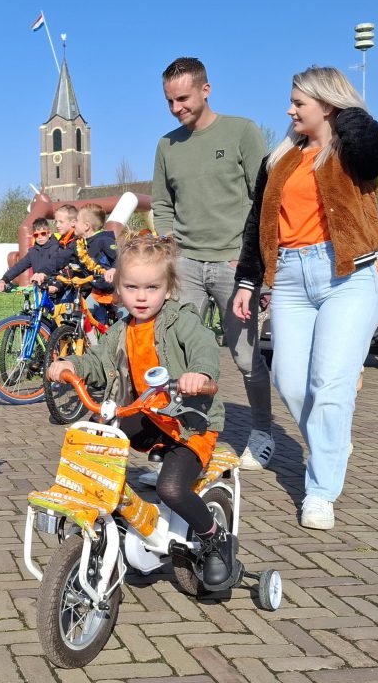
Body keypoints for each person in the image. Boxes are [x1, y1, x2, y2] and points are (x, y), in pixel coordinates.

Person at [232, 66, 378, 531]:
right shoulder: (281, 158)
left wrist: (343, 114)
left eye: (299, 102)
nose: (289, 110)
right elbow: (257, 224)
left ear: (327, 104)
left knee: (330, 384)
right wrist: (248, 280)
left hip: (347, 275)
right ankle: (333, 442)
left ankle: (320, 491)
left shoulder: (354, 151)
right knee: (288, 379)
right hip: (289, 278)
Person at [45, 234, 237, 589]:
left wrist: (200, 373)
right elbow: (97, 361)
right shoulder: (121, 329)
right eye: (132, 287)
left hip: (189, 424)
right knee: (100, 435)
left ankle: (215, 538)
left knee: (171, 488)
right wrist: (72, 364)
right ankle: (103, 510)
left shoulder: (181, 320)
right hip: (150, 417)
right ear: (119, 289)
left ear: (168, 288)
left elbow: (204, 346)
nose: (142, 296)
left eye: (152, 287)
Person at [149, 56, 276, 470]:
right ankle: (184, 441)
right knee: (177, 355)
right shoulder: (166, 145)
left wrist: (252, 259)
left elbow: (264, 199)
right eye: (169, 101)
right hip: (186, 264)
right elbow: (162, 204)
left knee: (245, 356)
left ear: (206, 90)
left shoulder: (242, 131)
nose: (176, 108)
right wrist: (170, 248)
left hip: (233, 264)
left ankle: (261, 432)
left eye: (183, 98)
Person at [0, 218, 73, 292]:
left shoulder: (58, 248)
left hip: (58, 289)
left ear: (49, 233)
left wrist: (55, 285)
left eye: (43, 233)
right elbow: (19, 266)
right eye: (36, 235)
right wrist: (4, 279)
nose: (40, 237)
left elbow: (60, 268)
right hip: (40, 289)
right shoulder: (32, 252)